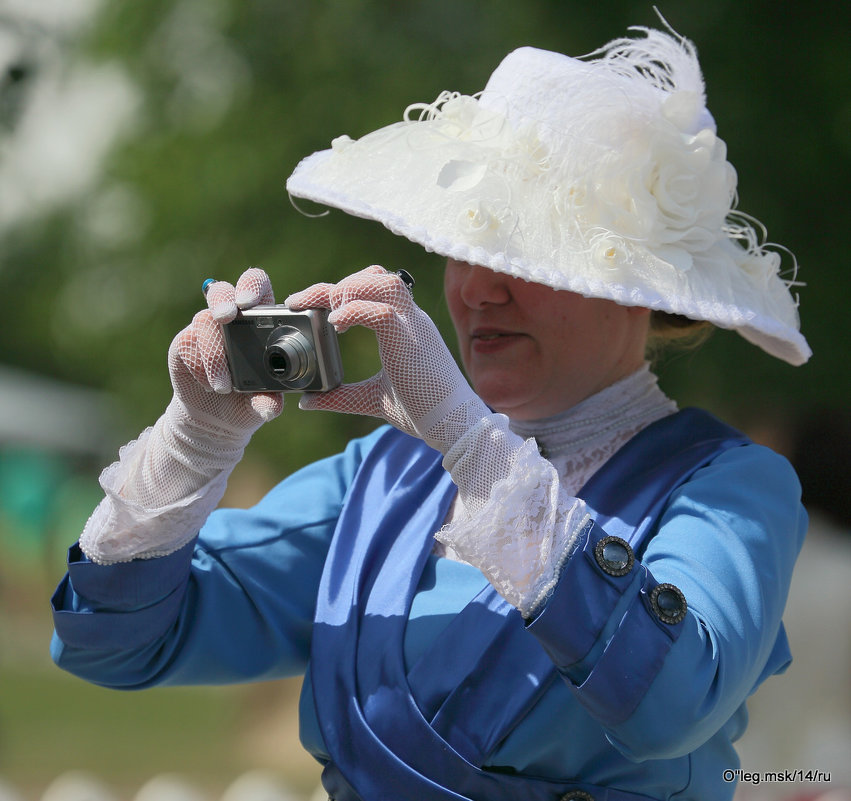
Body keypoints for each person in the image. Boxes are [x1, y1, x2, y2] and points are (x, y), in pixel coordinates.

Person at [50, 24, 811, 801]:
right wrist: (195, 440)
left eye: (528, 257)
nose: (477, 289)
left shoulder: (730, 486)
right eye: (463, 245)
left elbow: (670, 703)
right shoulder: (384, 476)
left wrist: (468, 442)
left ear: (640, 288)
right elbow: (112, 644)